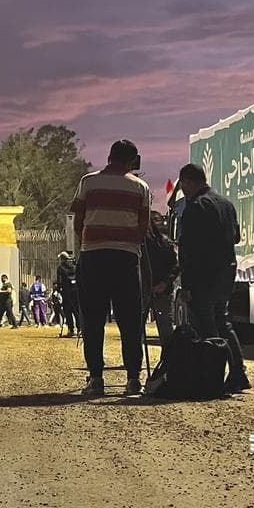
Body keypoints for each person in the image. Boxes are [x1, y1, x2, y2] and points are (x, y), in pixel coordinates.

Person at [71, 139, 151, 396]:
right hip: (126, 258)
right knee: (130, 321)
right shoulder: (140, 187)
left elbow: (78, 220)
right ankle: (133, 379)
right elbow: (143, 227)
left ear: (109, 157)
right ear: (132, 160)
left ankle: (96, 378)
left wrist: (88, 242)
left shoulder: (88, 182)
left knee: (93, 320)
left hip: (93, 256)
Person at [175, 163, 250, 393]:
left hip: (203, 276)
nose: (183, 190)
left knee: (206, 327)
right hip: (225, 273)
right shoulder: (226, 204)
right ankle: (238, 373)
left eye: (183, 184)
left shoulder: (195, 207)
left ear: (188, 182)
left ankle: (211, 377)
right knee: (223, 322)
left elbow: (188, 250)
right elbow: (236, 237)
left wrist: (186, 286)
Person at [144, 211, 179, 344]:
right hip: (143, 290)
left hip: (161, 290)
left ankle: (169, 354)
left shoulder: (165, 243)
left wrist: (164, 283)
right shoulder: (139, 244)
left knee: (165, 328)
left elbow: (174, 266)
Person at [54, 252, 80, 338]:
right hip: (76, 291)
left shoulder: (60, 268)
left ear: (62, 259)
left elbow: (59, 281)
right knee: (77, 310)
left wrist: (58, 290)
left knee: (68, 311)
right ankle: (80, 329)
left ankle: (71, 330)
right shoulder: (75, 266)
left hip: (66, 292)